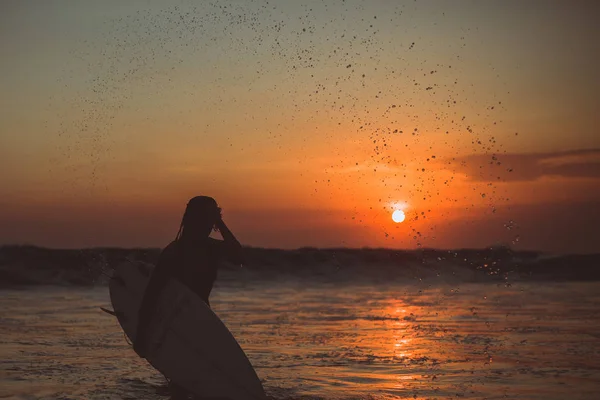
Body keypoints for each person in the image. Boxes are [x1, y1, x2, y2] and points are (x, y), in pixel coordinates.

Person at [133, 196, 244, 359]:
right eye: (204, 218)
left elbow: (239, 257)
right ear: (192, 219)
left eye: (210, 219)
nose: (207, 224)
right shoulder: (174, 252)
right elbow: (152, 294)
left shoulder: (211, 248)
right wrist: (141, 336)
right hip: (173, 324)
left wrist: (219, 222)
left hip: (200, 319)